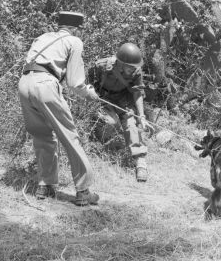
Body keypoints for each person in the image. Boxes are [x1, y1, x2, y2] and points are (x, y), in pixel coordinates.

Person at [18, 11, 101, 206]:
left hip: (24, 83)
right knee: (69, 136)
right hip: (46, 84)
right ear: (75, 28)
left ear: (60, 24)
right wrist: (89, 93)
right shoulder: (74, 41)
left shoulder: (43, 37)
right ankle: (83, 191)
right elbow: (74, 82)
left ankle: (45, 186)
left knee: (41, 136)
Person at [88, 42, 152, 182]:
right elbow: (87, 82)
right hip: (104, 98)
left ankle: (140, 161)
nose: (133, 69)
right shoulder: (101, 66)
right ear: (120, 63)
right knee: (111, 122)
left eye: (134, 67)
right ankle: (101, 144)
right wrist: (90, 91)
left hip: (123, 99)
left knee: (130, 123)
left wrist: (141, 116)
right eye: (130, 67)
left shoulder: (136, 71)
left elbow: (137, 93)